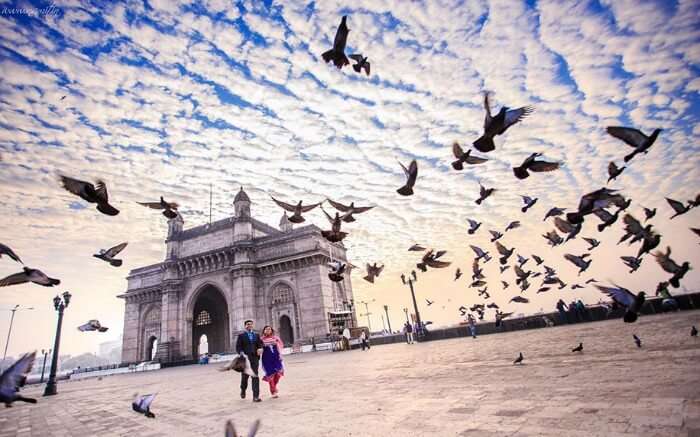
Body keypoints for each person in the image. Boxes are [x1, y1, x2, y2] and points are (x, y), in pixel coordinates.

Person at [235, 319, 264, 402]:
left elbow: (260, 344)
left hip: (255, 358)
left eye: (251, 324)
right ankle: (243, 389)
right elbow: (238, 347)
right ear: (245, 326)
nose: (249, 325)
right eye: (248, 324)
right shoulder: (241, 336)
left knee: (255, 376)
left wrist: (260, 348)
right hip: (246, 359)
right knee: (245, 377)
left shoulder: (256, 335)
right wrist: (241, 353)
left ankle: (256, 396)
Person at [260, 326, 284, 398]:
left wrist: (280, 354)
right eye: (266, 329)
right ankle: (273, 391)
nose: (268, 330)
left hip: (276, 357)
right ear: (264, 331)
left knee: (278, 373)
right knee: (270, 374)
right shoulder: (261, 339)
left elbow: (280, 346)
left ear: (271, 330)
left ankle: (274, 386)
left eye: (269, 329)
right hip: (267, 359)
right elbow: (258, 348)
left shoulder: (276, 338)